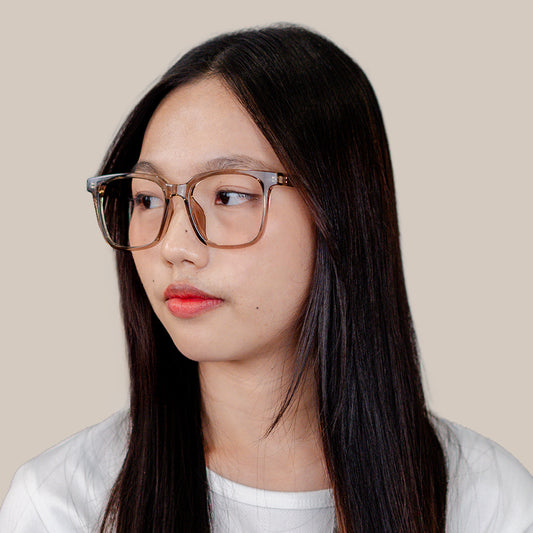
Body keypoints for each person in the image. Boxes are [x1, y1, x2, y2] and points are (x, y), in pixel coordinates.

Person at [1, 24, 532, 533]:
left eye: (229, 195)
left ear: (339, 210)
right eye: (148, 199)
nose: (174, 247)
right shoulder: (63, 506)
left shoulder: (487, 505)